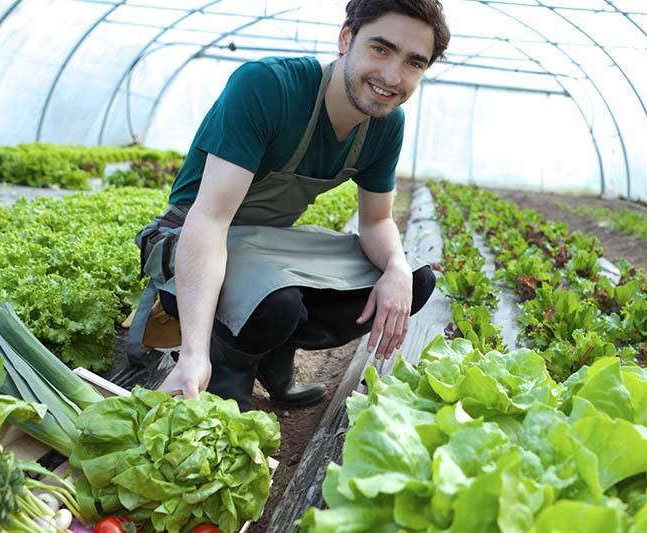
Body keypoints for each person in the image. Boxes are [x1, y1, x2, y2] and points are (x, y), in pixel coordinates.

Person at [131, 0, 450, 411]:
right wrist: (193, 352)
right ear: (346, 38)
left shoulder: (386, 125)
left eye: (414, 63)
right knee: (277, 300)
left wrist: (397, 268)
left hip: (266, 247)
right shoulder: (268, 87)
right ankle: (226, 371)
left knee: (410, 281)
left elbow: (376, 221)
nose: (392, 76)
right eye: (380, 49)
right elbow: (209, 220)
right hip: (189, 239)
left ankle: (273, 350)